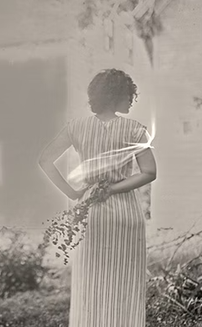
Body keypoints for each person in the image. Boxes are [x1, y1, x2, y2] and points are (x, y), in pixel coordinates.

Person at [38, 69, 157, 327]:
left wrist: (73, 193)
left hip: (89, 212)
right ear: (115, 95)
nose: (131, 100)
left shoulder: (76, 127)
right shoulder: (136, 130)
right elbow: (149, 172)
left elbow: (45, 160)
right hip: (125, 213)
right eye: (128, 94)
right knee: (124, 283)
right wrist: (113, 189)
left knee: (91, 284)